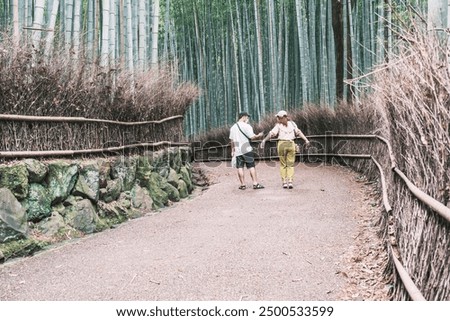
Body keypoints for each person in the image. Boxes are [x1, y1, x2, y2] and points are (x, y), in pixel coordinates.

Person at [260, 110, 309, 189]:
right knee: (290, 164)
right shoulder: (293, 124)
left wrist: (264, 140)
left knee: (283, 164)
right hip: (291, 144)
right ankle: (290, 181)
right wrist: (306, 140)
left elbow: (271, 133)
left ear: (280, 118)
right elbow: (299, 132)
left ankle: (284, 182)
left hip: (281, 144)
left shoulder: (278, 125)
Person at [229, 111, 265, 190]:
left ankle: (243, 185)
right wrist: (259, 135)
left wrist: (232, 150)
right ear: (244, 117)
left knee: (240, 167)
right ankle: (255, 183)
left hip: (238, 150)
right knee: (251, 166)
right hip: (247, 149)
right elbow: (252, 137)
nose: (248, 118)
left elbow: (231, 140)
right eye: (247, 117)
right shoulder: (247, 126)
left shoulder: (233, 127)